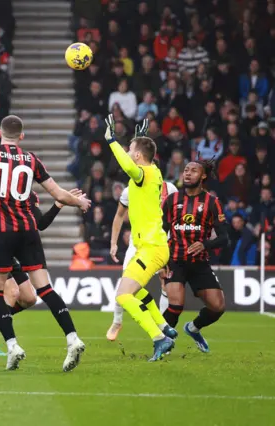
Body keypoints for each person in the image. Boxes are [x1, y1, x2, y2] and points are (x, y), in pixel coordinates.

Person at [0, 115, 91, 372]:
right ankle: (72, 337)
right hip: (28, 231)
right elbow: (59, 194)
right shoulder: (31, 159)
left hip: (1, 232)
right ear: (22, 137)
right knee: (44, 289)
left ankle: (13, 345)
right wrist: (78, 202)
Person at [0, 190, 81, 356]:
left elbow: (41, 224)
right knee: (12, 292)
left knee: (29, 298)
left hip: (10, 251)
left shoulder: (30, 196)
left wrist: (59, 204)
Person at [104, 113, 176, 362]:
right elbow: (136, 156)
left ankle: (159, 337)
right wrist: (138, 138)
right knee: (134, 291)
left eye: (130, 148)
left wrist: (112, 140)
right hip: (152, 246)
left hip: (151, 248)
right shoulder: (151, 172)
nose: (127, 151)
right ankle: (164, 327)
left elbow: (128, 164)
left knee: (123, 295)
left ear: (136, 156)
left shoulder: (143, 173)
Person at [162, 160, 228, 352]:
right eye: (186, 170)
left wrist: (205, 244)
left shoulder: (212, 203)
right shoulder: (171, 200)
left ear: (203, 176)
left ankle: (193, 328)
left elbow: (224, 238)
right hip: (175, 260)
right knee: (176, 305)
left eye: (193, 170)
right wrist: (161, 261)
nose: (188, 173)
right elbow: (160, 232)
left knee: (217, 307)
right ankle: (161, 344)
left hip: (199, 263)